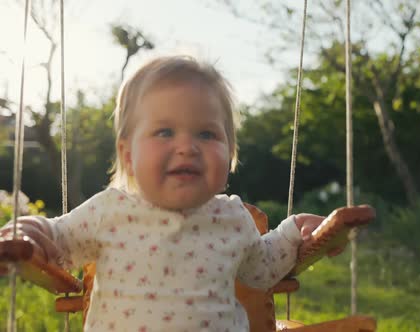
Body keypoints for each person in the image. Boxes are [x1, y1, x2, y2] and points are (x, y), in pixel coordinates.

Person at [0, 55, 332, 331]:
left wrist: (294, 232)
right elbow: (59, 237)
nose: (187, 147)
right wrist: (29, 231)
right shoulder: (110, 212)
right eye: (164, 132)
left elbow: (261, 269)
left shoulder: (232, 218)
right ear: (129, 156)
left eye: (206, 133)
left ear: (230, 154)